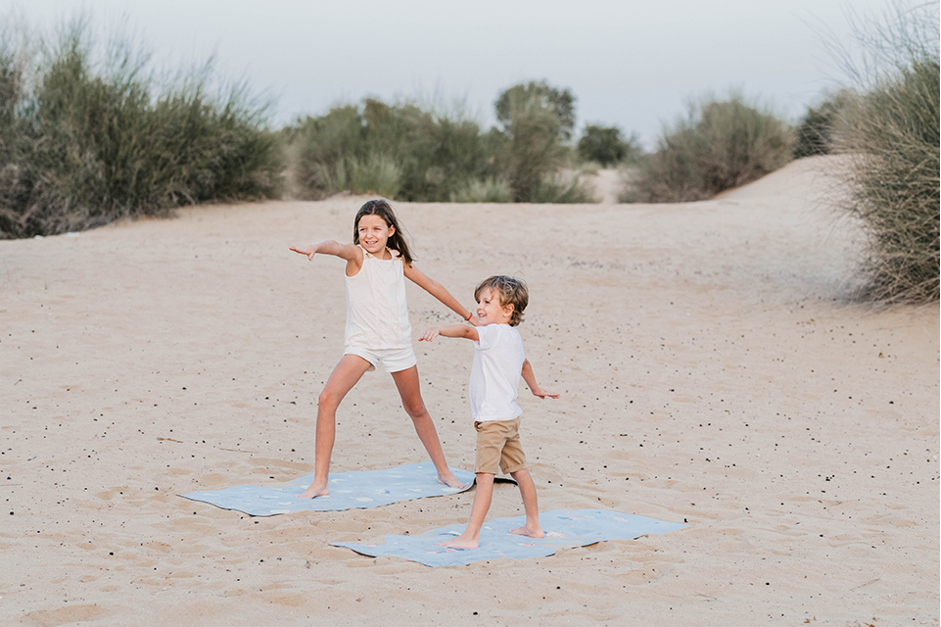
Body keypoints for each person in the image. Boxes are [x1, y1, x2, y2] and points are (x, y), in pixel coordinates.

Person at [290, 199, 473, 498]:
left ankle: (444, 472)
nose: (369, 235)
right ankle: (320, 481)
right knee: (327, 399)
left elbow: (434, 286)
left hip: (398, 343)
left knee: (416, 408)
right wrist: (315, 247)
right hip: (363, 345)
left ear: (390, 230)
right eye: (363, 229)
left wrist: (468, 315)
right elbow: (336, 245)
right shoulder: (357, 256)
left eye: (376, 228)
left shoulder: (398, 261)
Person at [419, 275, 558, 548]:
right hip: (509, 417)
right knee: (520, 471)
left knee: (484, 477)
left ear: (508, 310)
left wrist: (440, 329)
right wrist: (535, 388)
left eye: (487, 302)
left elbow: (467, 331)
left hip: (493, 421)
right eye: (479, 301)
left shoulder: (492, 333)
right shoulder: (512, 336)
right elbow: (525, 364)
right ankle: (534, 526)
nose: (480, 307)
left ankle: (470, 536)